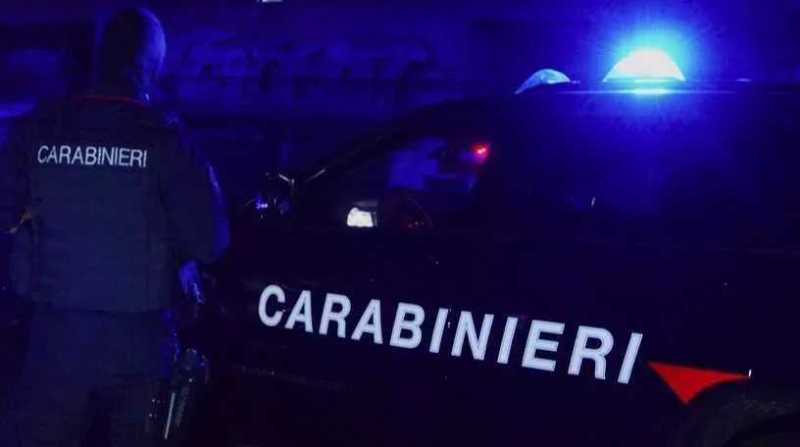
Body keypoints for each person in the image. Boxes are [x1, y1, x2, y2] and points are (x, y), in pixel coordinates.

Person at [0, 8, 229, 446]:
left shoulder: (38, 128)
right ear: (153, 65)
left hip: (54, 341)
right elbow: (211, 242)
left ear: (100, 56)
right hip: (140, 347)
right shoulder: (168, 138)